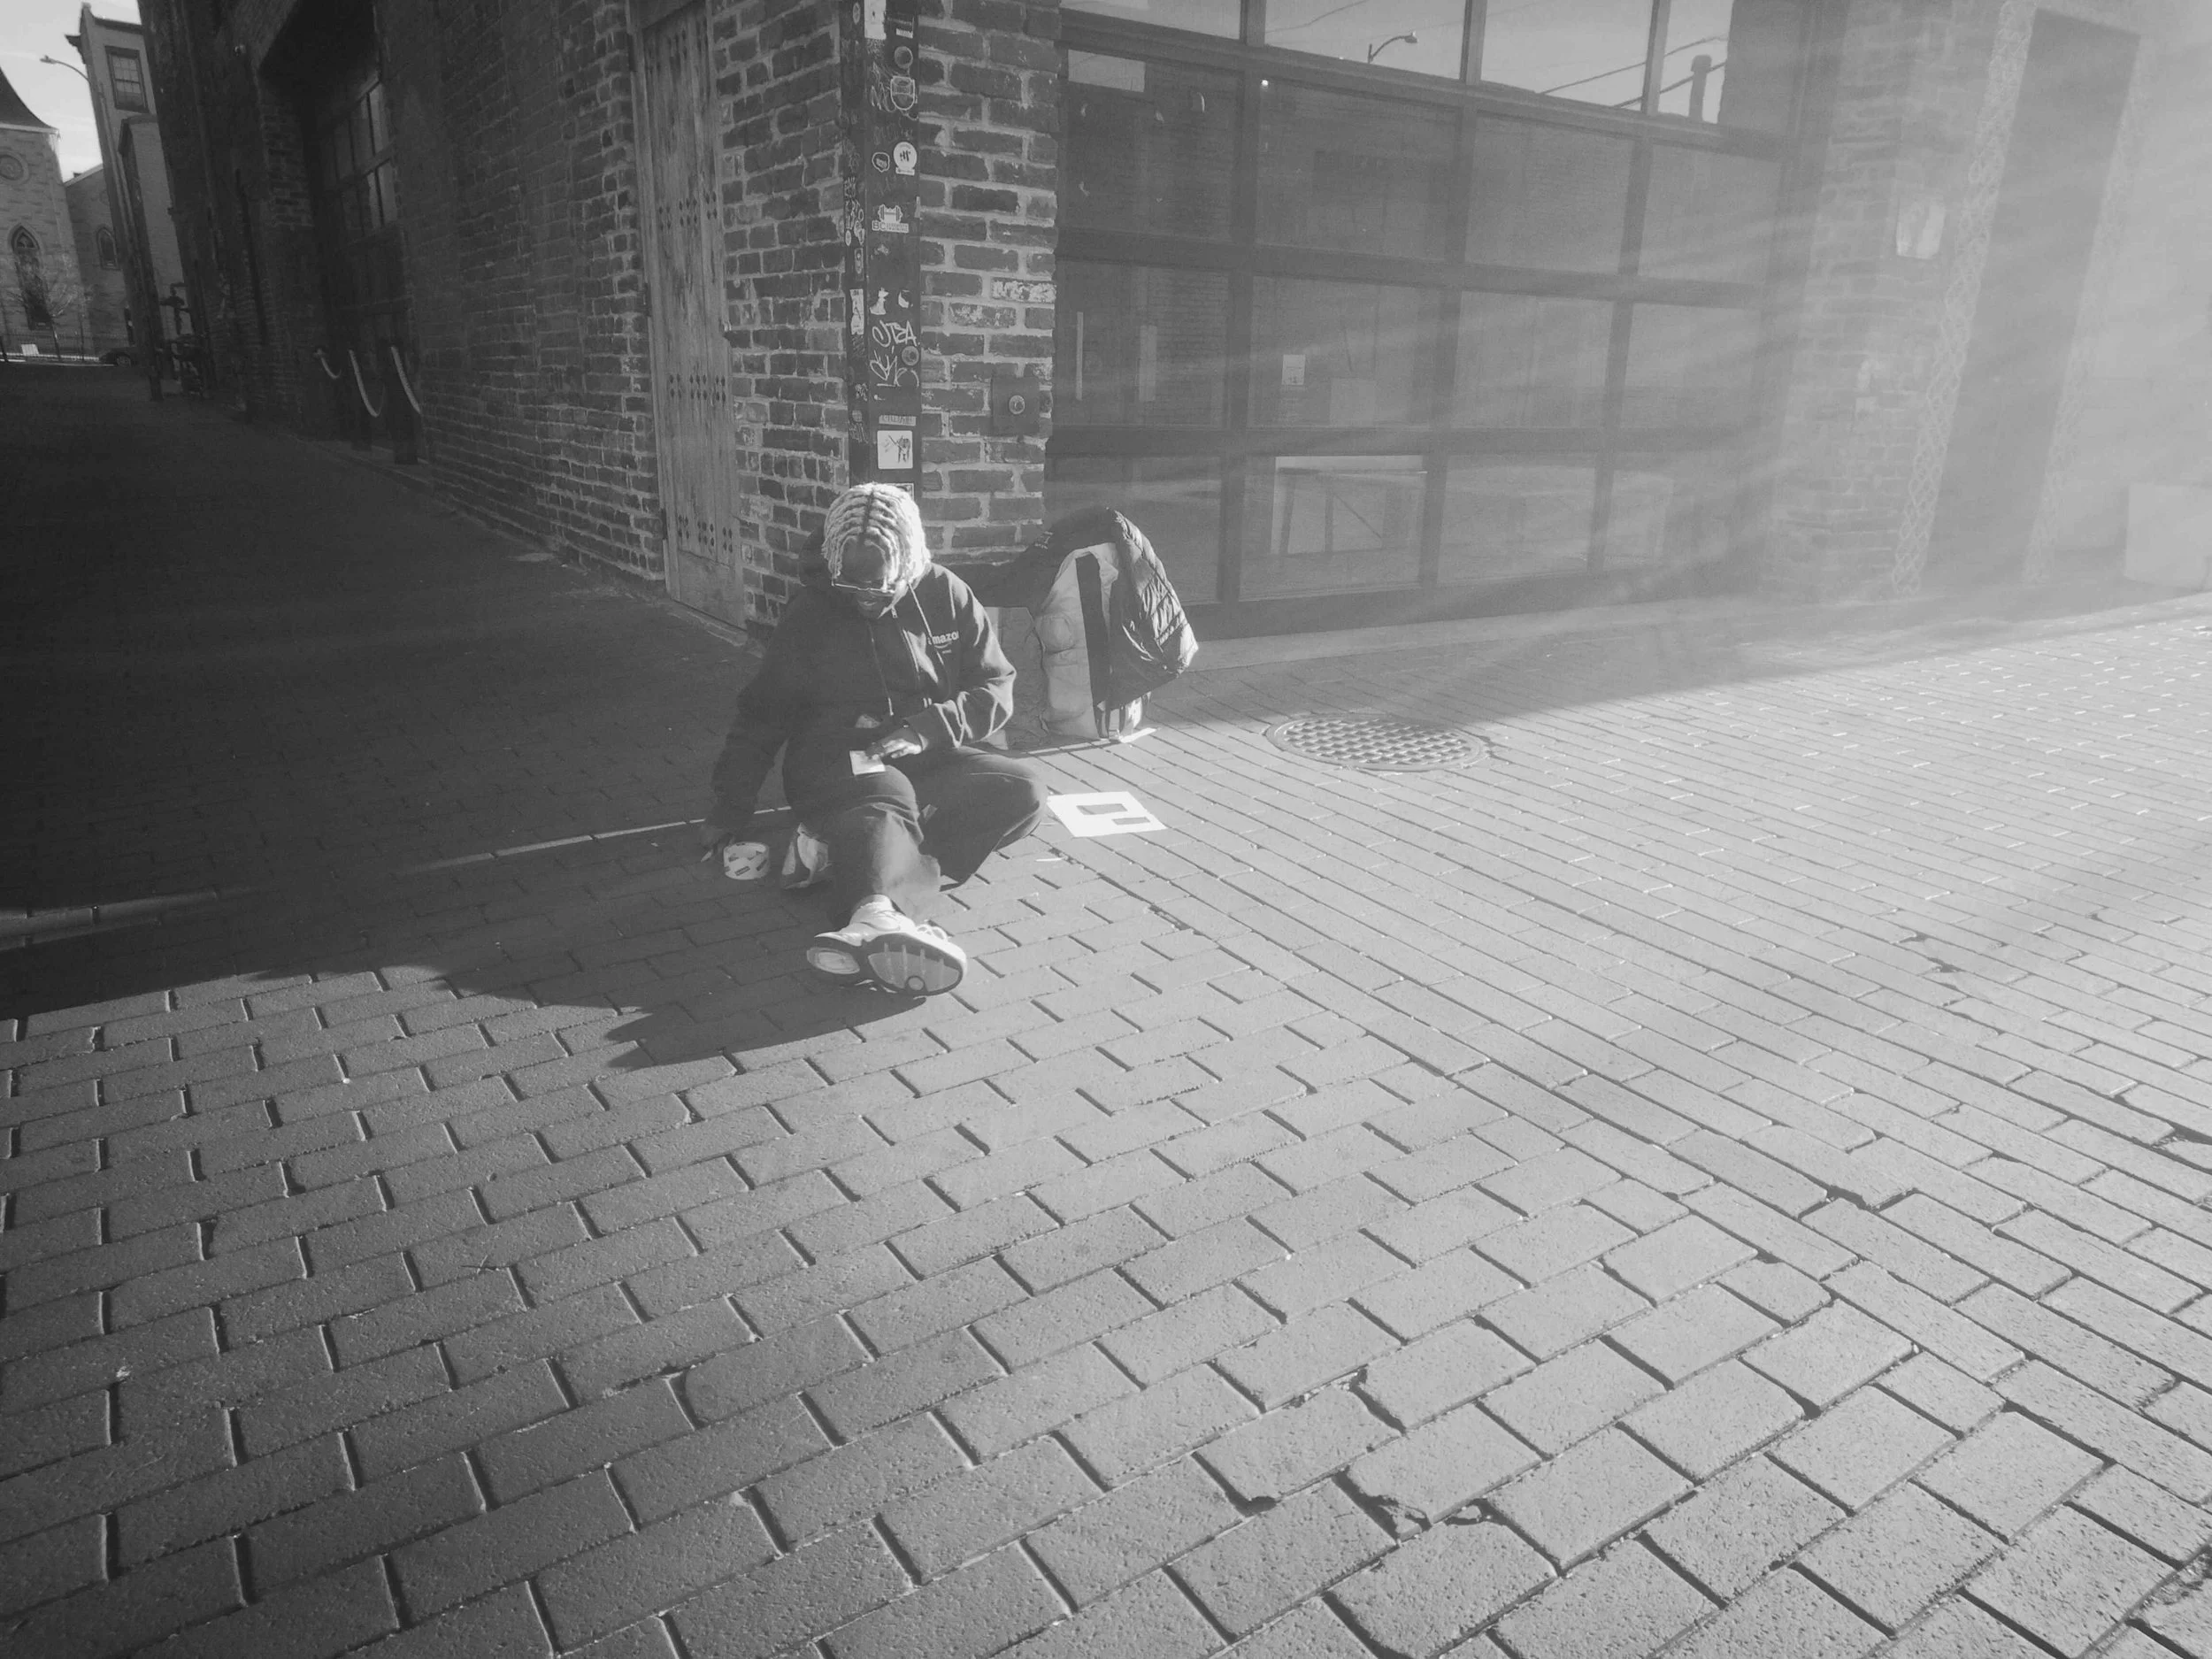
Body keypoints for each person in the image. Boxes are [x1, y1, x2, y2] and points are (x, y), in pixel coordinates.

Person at [699, 482, 1048, 995]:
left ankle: (856, 861)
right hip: (832, 759)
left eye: (881, 588)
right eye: (851, 585)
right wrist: (730, 807)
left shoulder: (947, 592)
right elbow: (763, 714)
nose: (866, 599)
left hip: (924, 746)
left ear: (909, 565)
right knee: (889, 795)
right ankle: (873, 915)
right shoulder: (811, 612)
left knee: (1022, 790)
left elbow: (996, 687)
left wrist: (926, 730)